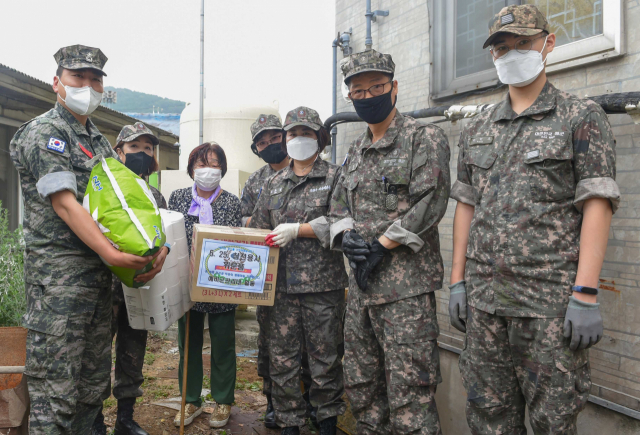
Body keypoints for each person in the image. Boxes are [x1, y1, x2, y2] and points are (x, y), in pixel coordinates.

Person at [448, 5, 620, 434]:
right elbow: (466, 205)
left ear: (548, 43)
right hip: (485, 305)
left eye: (522, 43)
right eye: (502, 48)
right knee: (489, 419)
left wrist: (585, 293)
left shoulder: (580, 116)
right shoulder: (478, 127)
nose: (512, 54)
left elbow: (597, 202)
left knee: (552, 422)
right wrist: (457, 281)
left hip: (548, 307)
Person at [9, 45, 166, 435]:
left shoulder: (97, 140)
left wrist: (153, 247)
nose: (88, 85)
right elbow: (64, 204)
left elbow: (122, 206)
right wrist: (112, 254)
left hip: (97, 283)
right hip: (59, 286)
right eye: (79, 77)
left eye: (96, 79)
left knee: (90, 390)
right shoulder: (47, 132)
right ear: (57, 82)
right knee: (56, 394)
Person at [328, 50, 451, 434]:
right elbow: (337, 205)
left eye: (376, 87)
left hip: (405, 295)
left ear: (393, 87)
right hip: (362, 291)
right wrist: (346, 236)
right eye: (358, 91)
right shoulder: (353, 152)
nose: (367, 97)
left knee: (410, 394)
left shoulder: (423, 137)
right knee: (363, 386)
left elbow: (431, 199)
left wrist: (383, 244)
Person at [249, 107, 348, 435]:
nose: (298, 139)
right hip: (280, 293)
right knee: (283, 362)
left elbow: (345, 223)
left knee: (325, 361)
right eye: (292, 133)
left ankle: (327, 422)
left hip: (323, 289)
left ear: (319, 138)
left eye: (306, 133)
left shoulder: (335, 176)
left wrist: (300, 229)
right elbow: (260, 232)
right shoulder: (274, 183)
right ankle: (290, 424)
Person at [92, 122, 171, 435]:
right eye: (135, 148)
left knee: (133, 350)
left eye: (148, 149)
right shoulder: (104, 188)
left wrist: (164, 248)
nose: (142, 154)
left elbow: (164, 235)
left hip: (140, 288)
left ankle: (125, 418)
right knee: (97, 354)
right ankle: (95, 420)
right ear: (119, 153)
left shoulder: (155, 196)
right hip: (105, 289)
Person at [240, 114, 315, 429]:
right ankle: (274, 402)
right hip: (271, 278)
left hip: (311, 276)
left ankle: (311, 402)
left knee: (313, 347)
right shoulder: (257, 182)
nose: (269, 144)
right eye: (262, 141)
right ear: (256, 148)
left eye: (273, 137)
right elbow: (245, 220)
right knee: (271, 343)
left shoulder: (307, 168)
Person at [168, 142, 241, 429]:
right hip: (186, 285)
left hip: (221, 286)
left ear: (222, 168)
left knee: (223, 345)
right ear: (191, 169)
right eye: (201, 164)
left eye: (213, 164)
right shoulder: (177, 198)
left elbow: (237, 243)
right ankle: (191, 400)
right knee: (188, 343)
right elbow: (170, 238)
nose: (207, 170)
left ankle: (223, 401)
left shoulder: (232, 202)